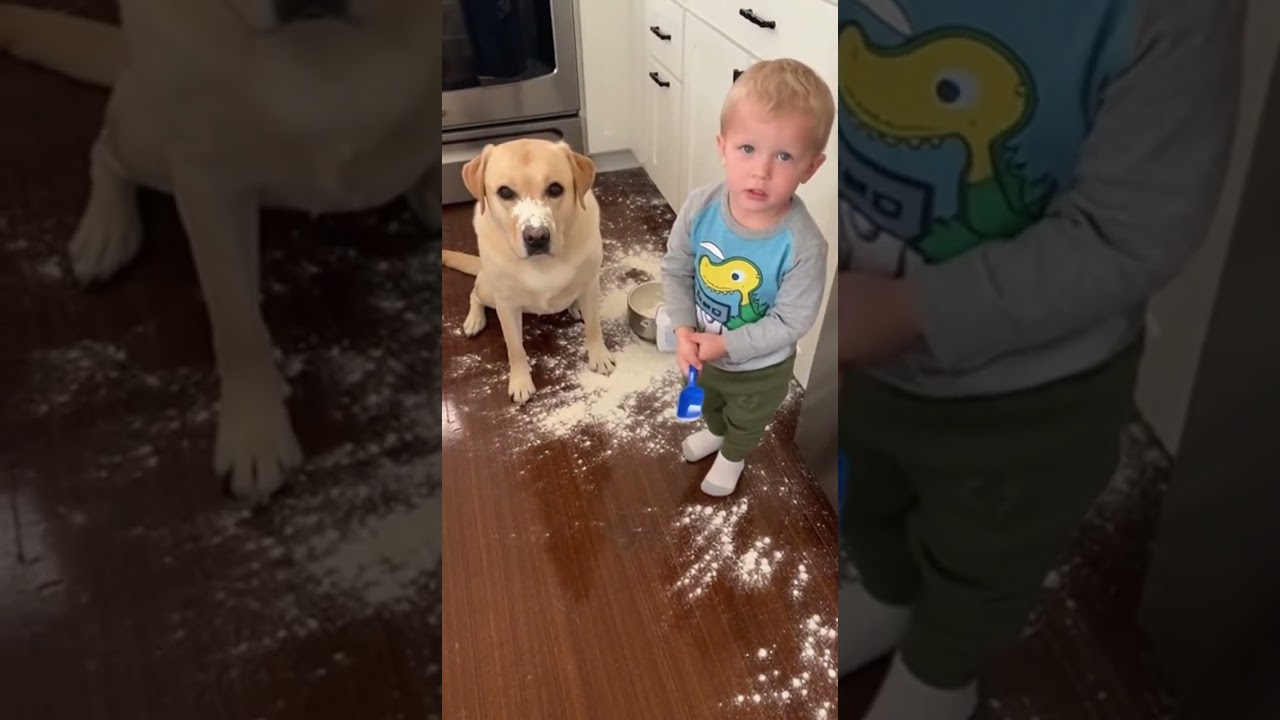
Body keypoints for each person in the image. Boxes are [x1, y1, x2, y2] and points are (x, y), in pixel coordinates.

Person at [835, 0, 1245, 717]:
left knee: (984, 559)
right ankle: (891, 597)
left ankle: (939, 671)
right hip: (871, 367)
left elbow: (1129, 235)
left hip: (1031, 400)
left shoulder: (1173, 17)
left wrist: (910, 311)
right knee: (871, 499)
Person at [660, 58, 835, 497]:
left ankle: (733, 454)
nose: (761, 171)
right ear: (722, 147)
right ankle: (718, 435)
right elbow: (678, 267)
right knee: (714, 407)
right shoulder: (700, 207)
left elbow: (790, 322)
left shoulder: (803, 245)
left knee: (747, 418)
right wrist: (684, 329)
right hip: (703, 349)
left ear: (811, 167)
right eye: (747, 149)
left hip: (760, 366)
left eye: (784, 156)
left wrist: (729, 344)